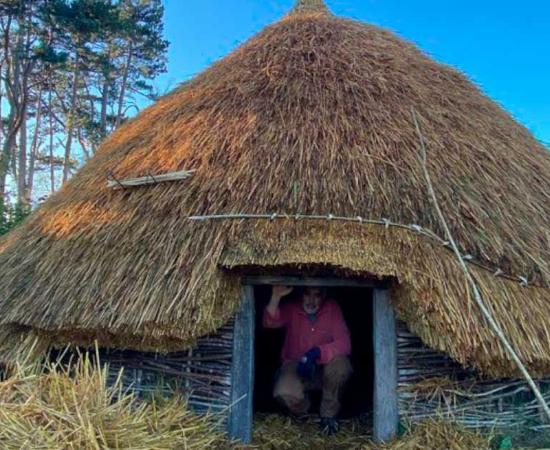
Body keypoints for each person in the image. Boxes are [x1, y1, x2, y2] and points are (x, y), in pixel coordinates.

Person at [263, 285, 352, 435]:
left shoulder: (332, 308)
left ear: (323, 296)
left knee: (341, 366)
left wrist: (317, 352)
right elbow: (269, 321)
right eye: (307, 294)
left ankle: (328, 415)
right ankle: (306, 412)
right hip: (296, 366)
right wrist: (275, 296)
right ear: (300, 294)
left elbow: (345, 344)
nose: (311, 301)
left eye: (316, 295)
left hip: (324, 367)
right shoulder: (292, 308)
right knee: (283, 392)